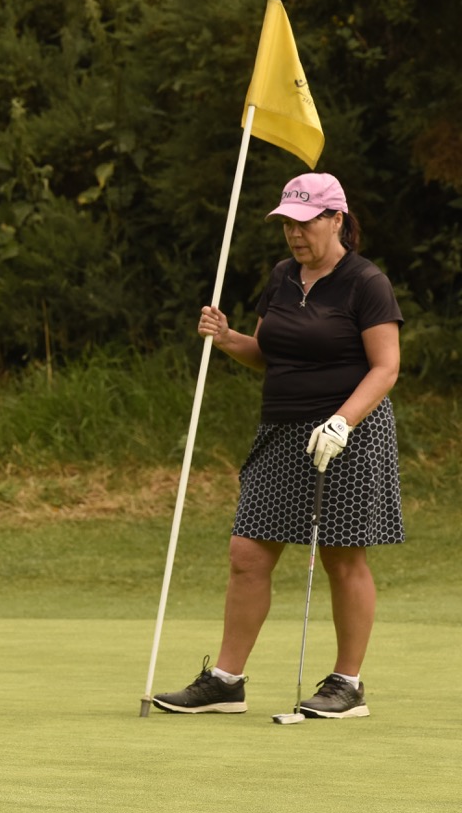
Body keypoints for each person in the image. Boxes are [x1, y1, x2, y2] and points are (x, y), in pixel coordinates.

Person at [153, 172, 403, 719]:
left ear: (336, 220)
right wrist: (226, 338)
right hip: (281, 432)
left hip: (349, 434)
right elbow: (269, 354)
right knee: (247, 553)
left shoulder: (366, 282)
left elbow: (386, 367)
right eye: (287, 222)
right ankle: (226, 681)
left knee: (342, 556)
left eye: (306, 221)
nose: (294, 233)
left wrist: (341, 422)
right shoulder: (283, 276)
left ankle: (347, 685)